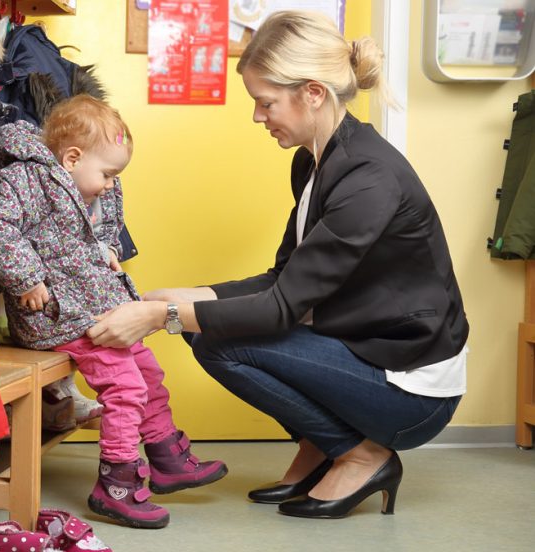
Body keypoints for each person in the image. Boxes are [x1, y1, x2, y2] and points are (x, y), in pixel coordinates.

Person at [85, 11, 469, 520]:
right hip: (369, 352)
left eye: (265, 103)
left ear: (312, 93)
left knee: (221, 340)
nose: (257, 117)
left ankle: (360, 453)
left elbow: (283, 306)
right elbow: (283, 279)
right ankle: (327, 445)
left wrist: (162, 317)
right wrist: (183, 295)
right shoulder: (315, 160)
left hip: (411, 392)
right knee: (206, 326)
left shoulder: (369, 178)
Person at [0, 95, 227, 529]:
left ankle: (165, 454)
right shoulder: (25, 180)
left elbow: (87, 230)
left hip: (91, 305)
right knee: (125, 387)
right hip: (56, 313)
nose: (110, 185)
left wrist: (106, 248)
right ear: (72, 158)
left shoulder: (81, 182)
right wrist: (28, 279)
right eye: (107, 175)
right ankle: (117, 483)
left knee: (146, 371)